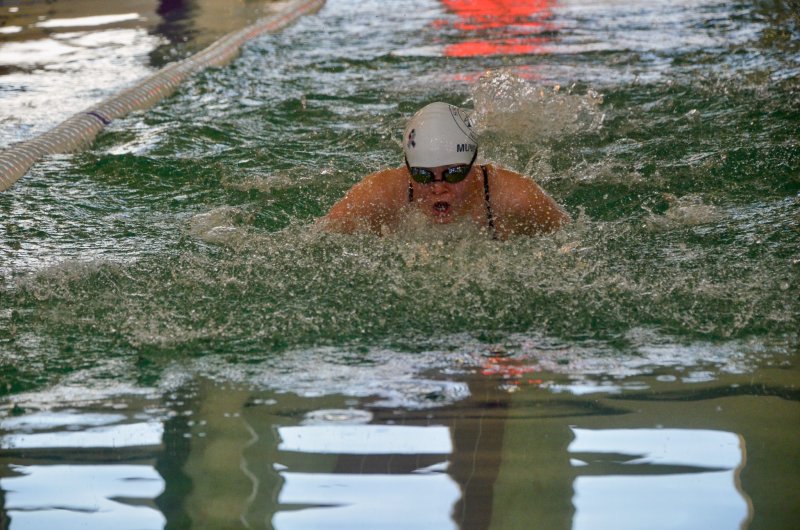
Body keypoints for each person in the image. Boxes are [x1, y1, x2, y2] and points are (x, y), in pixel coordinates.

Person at [320, 102, 569, 239]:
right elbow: (317, 240)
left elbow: (572, 242)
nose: (438, 188)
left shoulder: (518, 199)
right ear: (407, 169)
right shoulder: (378, 196)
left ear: (475, 164)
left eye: (453, 174)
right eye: (422, 175)